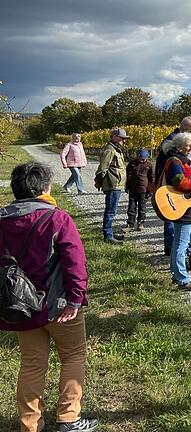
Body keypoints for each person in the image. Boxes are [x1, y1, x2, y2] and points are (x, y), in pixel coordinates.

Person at [0, 162, 97, 432]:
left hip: (20, 305)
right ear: (44, 189)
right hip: (59, 305)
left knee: (31, 364)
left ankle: (30, 424)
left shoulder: (2, 221)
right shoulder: (57, 218)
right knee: (73, 355)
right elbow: (75, 262)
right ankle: (69, 418)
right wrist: (76, 299)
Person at [163, 132, 191, 290]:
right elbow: (180, 182)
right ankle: (182, 278)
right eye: (187, 145)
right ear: (178, 146)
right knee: (182, 243)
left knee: (179, 243)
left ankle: (177, 274)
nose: (190, 148)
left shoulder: (182, 160)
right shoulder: (175, 161)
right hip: (182, 207)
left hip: (185, 206)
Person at [156, 116, 191, 256]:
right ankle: (177, 263)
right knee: (178, 234)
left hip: (179, 193)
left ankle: (178, 255)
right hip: (174, 193)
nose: (190, 148)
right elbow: (180, 181)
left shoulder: (180, 153)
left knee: (180, 238)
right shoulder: (175, 155)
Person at [96, 128, 128, 244]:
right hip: (112, 184)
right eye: (121, 138)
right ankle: (108, 236)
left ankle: (110, 233)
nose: (123, 140)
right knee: (110, 211)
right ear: (114, 136)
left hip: (116, 184)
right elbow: (103, 168)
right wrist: (100, 182)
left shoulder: (116, 149)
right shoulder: (110, 150)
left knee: (112, 210)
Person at [125, 148, 154, 231]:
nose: (142, 160)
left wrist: (151, 191)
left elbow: (152, 178)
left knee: (142, 207)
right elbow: (128, 176)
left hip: (144, 190)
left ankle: (140, 223)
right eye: (140, 158)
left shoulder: (149, 165)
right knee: (131, 207)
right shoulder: (132, 163)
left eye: (143, 159)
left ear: (147, 157)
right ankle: (130, 223)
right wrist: (127, 186)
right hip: (133, 189)